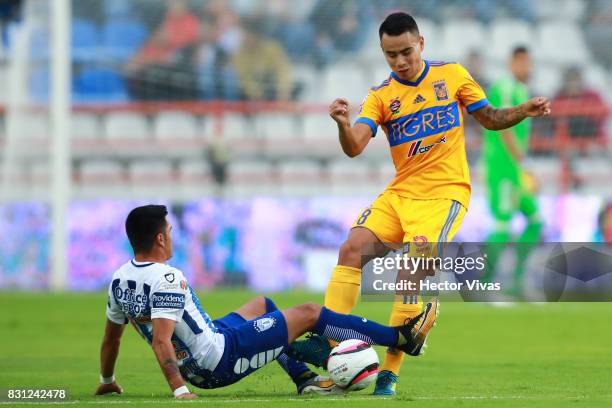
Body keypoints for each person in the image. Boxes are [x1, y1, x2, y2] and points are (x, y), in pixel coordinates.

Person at [289, 12, 550, 396]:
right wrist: (344, 124)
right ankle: (332, 350)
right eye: (391, 55)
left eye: (406, 52)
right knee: (351, 250)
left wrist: (522, 111)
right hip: (400, 194)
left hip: (444, 195)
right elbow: (355, 147)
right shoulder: (381, 96)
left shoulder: (453, 75)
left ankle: (389, 378)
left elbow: (491, 118)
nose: (399, 61)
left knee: (410, 272)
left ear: (421, 44)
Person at [94, 205, 437, 399]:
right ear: (158, 238)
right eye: (168, 232)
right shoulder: (166, 277)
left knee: (262, 304)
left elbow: (112, 338)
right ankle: (400, 338)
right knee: (309, 312)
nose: (172, 237)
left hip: (206, 341)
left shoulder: (120, 279)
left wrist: (107, 379)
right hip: (217, 359)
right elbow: (161, 339)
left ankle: (303, 377)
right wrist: (180, 391)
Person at [481, 46, 543, 297]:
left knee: (536, 221)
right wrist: (524, 162)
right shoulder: (504, 88)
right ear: (512, 63)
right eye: (522, 63)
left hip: (516, 170)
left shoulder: (523, 91)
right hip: (502, 169)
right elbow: (504, 128)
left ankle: (518, 282)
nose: (526, 68)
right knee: (502, 225)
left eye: (529, 63)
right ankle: (484, 286)